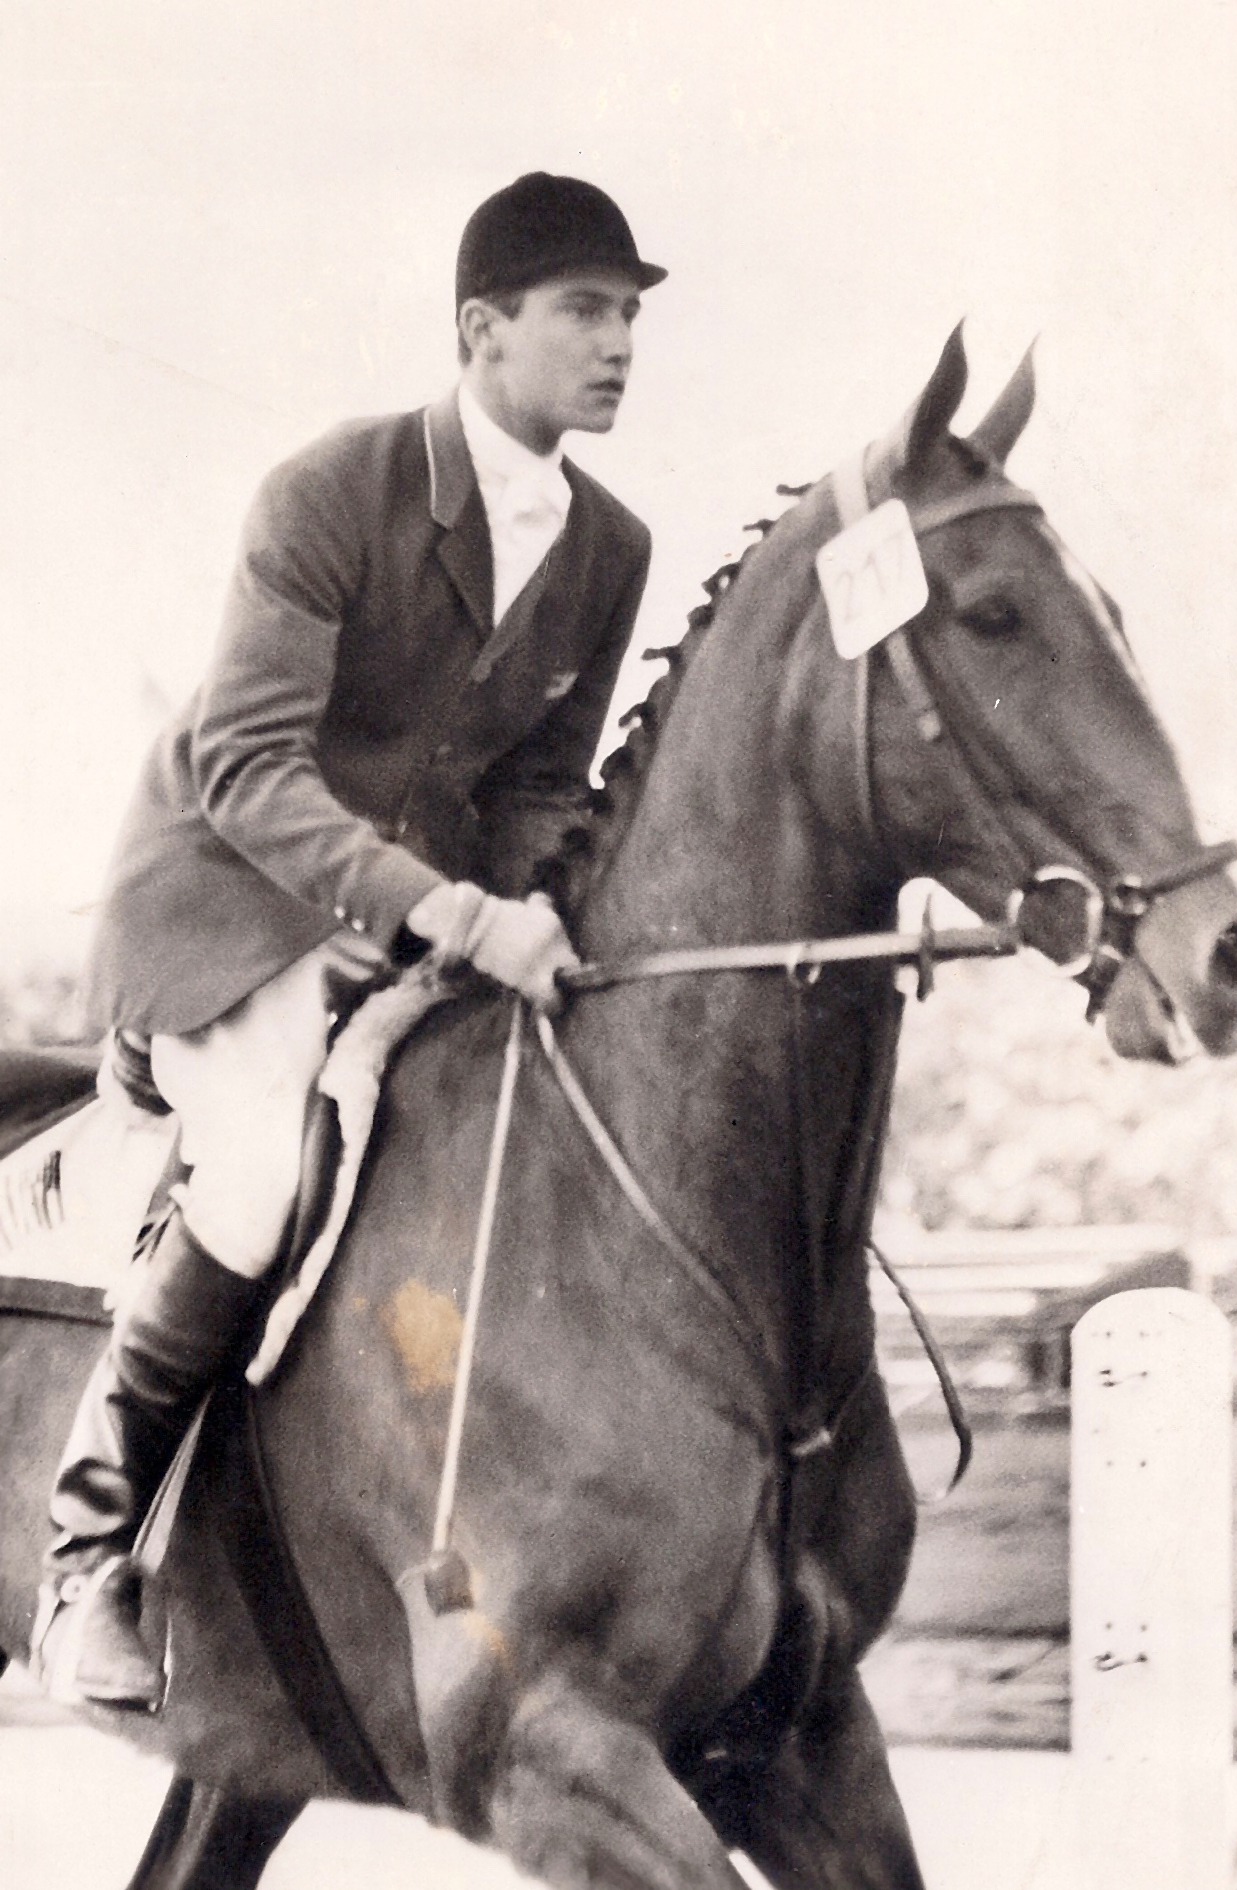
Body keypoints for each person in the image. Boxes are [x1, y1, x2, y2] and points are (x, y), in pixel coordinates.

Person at [33, 172, 666, 1711]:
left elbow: (538, 784)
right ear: (482, 329)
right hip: (228, 906)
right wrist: (452, 910)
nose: (619, 344)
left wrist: (541, 913)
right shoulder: (330, 490)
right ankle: (87, 1558)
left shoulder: (612, 544)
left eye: (630, 317)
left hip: (407, 925)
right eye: (585, 310)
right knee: (262, 1172)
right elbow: (248, 769)